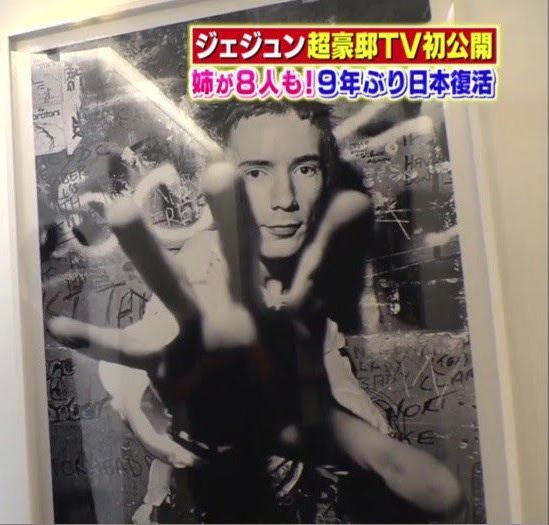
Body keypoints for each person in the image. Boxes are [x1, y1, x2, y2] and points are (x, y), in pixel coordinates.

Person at [49, 100, 466, 523]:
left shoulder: (307, 284)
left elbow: (336, 392)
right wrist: (158, 411)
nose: (285, 199)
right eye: (256, 172)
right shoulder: (205, 266)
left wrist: (368, 444)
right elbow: (155, 350)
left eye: (305, 169)